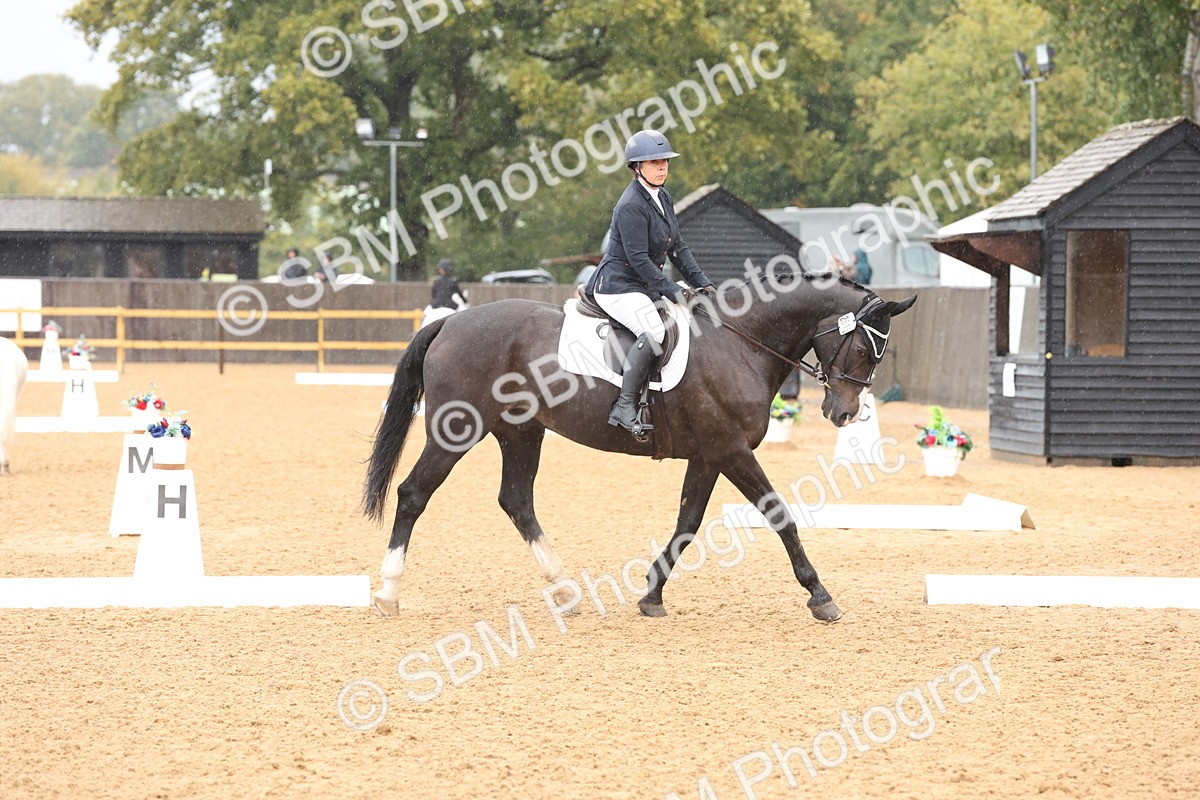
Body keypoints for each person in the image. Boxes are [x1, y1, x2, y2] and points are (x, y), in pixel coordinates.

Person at [584, 129, 716, 435]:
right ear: (636, 167)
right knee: (654, 329)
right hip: (617, 286)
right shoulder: (631, 205)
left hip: (641, 284)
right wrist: (673, 291)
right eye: (654, 161)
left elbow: (678, 247)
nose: (662, 167)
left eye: (665, 161)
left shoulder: (663, 197)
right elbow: (639, 260)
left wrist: (702, 283)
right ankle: (624, 406)